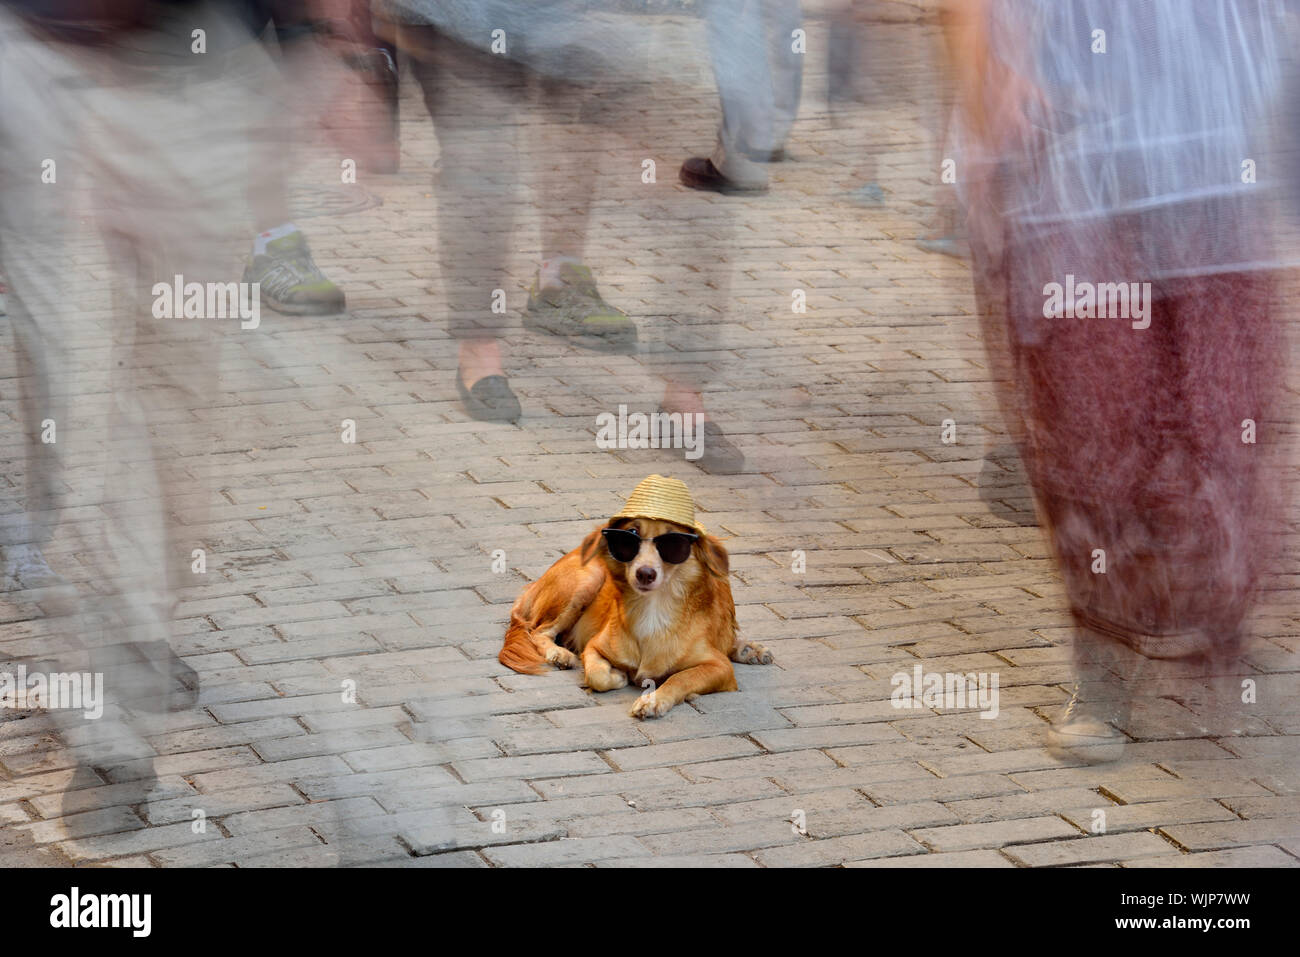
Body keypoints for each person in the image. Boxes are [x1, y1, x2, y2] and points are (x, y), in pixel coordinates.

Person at [949, 0, 1294, 762]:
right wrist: (989, 72)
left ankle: (1217, 629)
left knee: (1223, 415)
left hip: (1217, 159)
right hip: (1082, 163)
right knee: (1092, 432)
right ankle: (1101, 670)